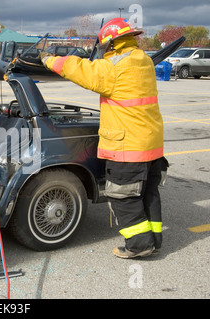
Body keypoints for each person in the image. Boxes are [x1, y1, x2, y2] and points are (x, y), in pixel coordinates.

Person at [41, 17, 169, 259]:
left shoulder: (113, 68)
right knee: (147, 194)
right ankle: (154, 241)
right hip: (151, 143)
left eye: (102, 45)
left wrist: (49, 59)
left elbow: (80, 70)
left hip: (127, 146)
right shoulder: (143, 61)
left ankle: (139, 245)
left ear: (110, 44)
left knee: (123, 195)